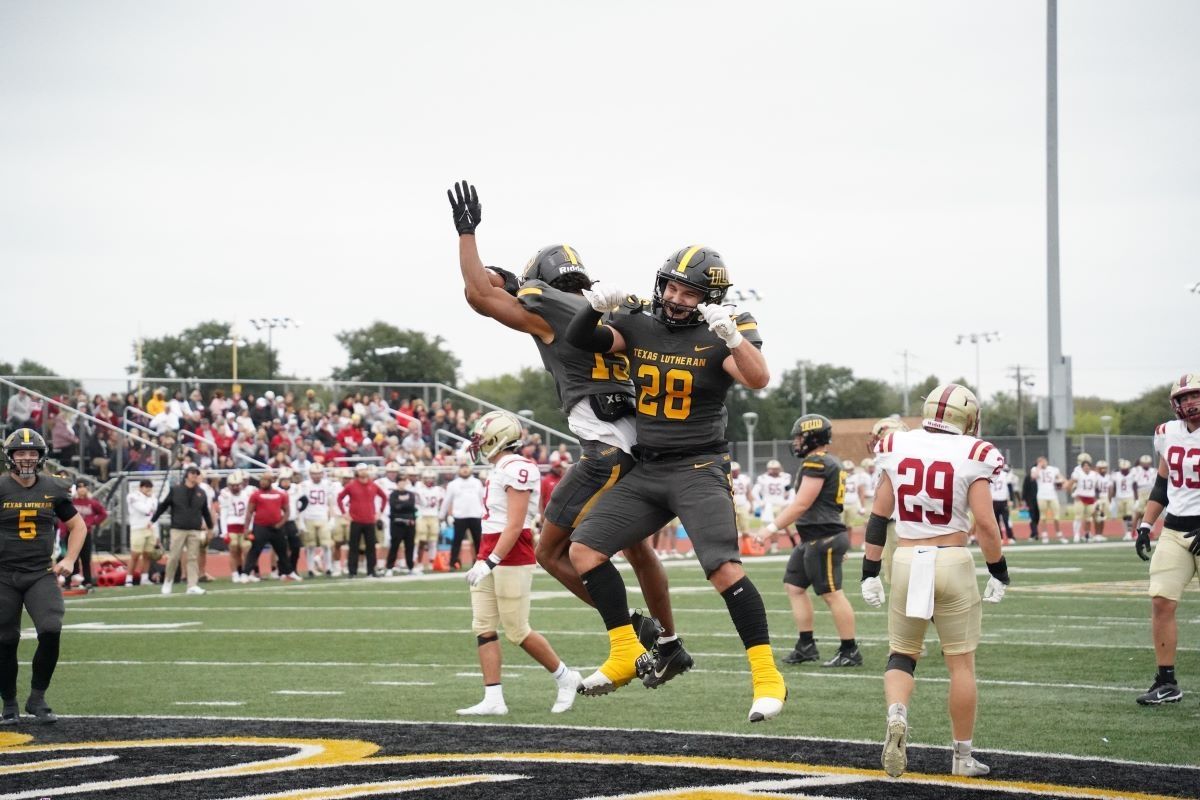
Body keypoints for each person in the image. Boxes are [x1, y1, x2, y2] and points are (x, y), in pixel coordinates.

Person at [449, 179, 678, 658]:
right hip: (644, 443)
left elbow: (478, 292)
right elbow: (504, 286)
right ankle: (671, 641)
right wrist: (512, 280)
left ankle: (633, 631)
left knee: (552, 552)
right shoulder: (615, 309)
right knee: (639, 550)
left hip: (605, 447)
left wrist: (466, 234)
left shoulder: (551, 309)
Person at [563, 243, 787, 722]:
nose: (678, 298)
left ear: (710, 298)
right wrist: (592, 308)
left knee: (722, 569)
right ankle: (625, 649)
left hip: (699, 468)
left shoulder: (727, 325)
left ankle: (767, 676)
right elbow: (584, 340)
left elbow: (758, 378)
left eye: (691, 292)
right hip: (649, 467)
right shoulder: (640, 320)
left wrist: (731, 338)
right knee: (583, 550)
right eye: (674, 286)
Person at [860, 384, 1009, 778]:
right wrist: (998, 570)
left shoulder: (897, 444)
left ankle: (897, 714)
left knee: (902, 653)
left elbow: (878, 516)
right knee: (960, 665)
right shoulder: (975, 453)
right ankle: (961, 757)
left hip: (908, 558)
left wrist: (870, 572)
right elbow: (986, 524)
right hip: (952, 559)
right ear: (968, 418)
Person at [457, 411, 581, 715]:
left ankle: (566, 678)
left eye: (482, 437)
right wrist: (484, 558)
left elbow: (515, 525)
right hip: (491, 550)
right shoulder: (502, 468)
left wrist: (491, 560)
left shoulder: (518, 468)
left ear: (498, 438)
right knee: (483, 626)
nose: (478, 443)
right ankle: (493, 698)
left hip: (510, 553)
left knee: (516, 630)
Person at [758, 414, 860, 668]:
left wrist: (770, 529)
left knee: (831, 594)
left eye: (800, 436)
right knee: (794, 586)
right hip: (813, 537)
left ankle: (850, 649)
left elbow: (802, 504)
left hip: (822, 537)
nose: (796, 441)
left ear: (813, 437)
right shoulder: (827, 461)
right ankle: (806, 645)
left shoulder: (817, 462)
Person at [0, 429, 86, 724]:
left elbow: (79, 526)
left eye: (32, 453)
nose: (26, 458)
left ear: (41, 456)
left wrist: (70, 558)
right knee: (5, 639)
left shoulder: (52, 487)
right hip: (3, 574)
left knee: (50, 629)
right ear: (10, 456)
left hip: (40, 572)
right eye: (21, 453)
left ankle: (37, 698)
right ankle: (9, 702)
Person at [1132, 373, 1200, 706]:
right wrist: (1146, 524)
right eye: (1185, 398)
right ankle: (1167, 682)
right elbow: (1163, 484)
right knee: (1161, 601)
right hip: (1175, 530)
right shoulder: (1166, 433)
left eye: (1196, 396)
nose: (1191, 402)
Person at [151, 466, 214, 595]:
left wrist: (210, 528)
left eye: (196, 474)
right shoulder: (176, 490)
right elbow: (164, 505)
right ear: (186, 475)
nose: (194, 476)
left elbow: (205, 512)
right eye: (192, 473)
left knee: (192, 557)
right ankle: (168, 581)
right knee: (174, 557)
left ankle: (192, 585)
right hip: (178, 528)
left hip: (194, 529)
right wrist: (153, 520)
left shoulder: (201, 493)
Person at [241, 471, 300, 582]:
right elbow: (249, 512)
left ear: (271, 482)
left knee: (282, 551)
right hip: (260, 527)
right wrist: (246, 528)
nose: (262, 482)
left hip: (276, 527)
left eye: (265, 480)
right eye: (261, 480)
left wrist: (281, 523)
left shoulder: (280, 494)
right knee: (255, 550)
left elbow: (287, 511)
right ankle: (246, 573)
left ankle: (289, 572)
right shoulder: (256, 495)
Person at [337, 463, 387, 578]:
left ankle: (371, 570)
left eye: (365, 470)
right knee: (353, 546)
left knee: (371, 547)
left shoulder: (373, 485)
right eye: (361, 470)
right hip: (356, 520)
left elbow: (384, 497)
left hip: (370, 520)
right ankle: (352, 571)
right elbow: (340, 497)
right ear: (357, 472)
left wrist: (380, 512)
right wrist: (344, 513)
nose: (363, 472)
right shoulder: (351, 485)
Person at [441, 463, 485, 569]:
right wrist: (442, 516)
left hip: (475, 515)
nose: (465, 470)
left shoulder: (477, 482)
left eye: (466, 468)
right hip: (460, 516)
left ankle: (480, 562)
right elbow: (447, 500)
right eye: (462, 468)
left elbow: (482, 499)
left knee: (478, 541)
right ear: (459, 470)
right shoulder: (453, 484)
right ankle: (453, 563)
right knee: (457, 541)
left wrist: (484, 514)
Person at [298, 463, 336, 577]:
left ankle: (328, 568)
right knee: (310, 545)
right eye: (314, 474)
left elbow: (330, 502)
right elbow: (301, 504)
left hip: (323, 517)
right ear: (310, 474)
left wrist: (332, 518)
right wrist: (301, 520)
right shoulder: (304, 485)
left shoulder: (327, 484)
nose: (317, 476)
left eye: (319, 473)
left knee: (326, 544)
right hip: (309, 517)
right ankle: (310, 569)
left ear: (322, 474)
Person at [69, 481, 107, 588]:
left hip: (86, 533)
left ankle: (87, 581)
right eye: (79, 487)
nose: (82, 489)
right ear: (76, 490)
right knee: (72, 557)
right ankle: (69, 580)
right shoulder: (72, 502)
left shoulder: (92, 502)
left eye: (84, 487)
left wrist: (92, 522)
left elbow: (103, 514)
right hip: (72, 533)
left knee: (86, 558)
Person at [752, 459, 794, 554]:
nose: (774, 471)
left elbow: (790, 490)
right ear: (768, 469)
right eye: (772, 469)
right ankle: (773, 547)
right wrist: (761, 502)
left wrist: (789, 502)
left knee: (786, 526)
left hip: (781, 504)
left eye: (776, 469)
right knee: (771, 526)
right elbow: (755, 491)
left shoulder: (785, 477)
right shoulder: (762, 478)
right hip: (768, 506)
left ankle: (794, 543)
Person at [218, 471, 253, 582]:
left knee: (247, 548)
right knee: (233, 548)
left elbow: (250, 513)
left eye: (237, 485)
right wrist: (224, 532)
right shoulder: (225, 495)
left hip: (244, 526)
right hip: (231, 525)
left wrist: (250, 527)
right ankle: (235, 573)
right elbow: (223, 515)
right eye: (232, 485)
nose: (235, 488)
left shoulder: (247, 494)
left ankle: (246, 572)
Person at [126, 478, 159, 586]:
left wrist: (157, 533)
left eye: (149, 487)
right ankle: (129, 578)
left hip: (150, 528)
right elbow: (145, 509)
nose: (148, 490)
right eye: (145, 487)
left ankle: (144, 578)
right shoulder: (132, 496)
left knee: (148, 554)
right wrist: (150, 500)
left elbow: (155, 513)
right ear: (140, 487)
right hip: (137, 528)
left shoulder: (153, 497)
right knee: (135, 554)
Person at [412, 469, 445, 575]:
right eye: (426, 478)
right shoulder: (419, 488)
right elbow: (416, 503)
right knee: (421, 541)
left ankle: (431, 562)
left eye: (431, 478)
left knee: (433, 541)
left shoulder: (439, 490)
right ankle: (419, 562)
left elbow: (442, 503)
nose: (429, 480)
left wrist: (443, 517)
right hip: (422, 516)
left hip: (434, 516)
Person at [385, 474, 418, 576]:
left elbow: (411, 506)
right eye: (400, 481)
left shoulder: (411, 494)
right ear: (397, 483)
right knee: (394, 546)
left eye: (404, 481)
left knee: (410, 546)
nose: (402, 483)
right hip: (397, 524)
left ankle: (410, 567)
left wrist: (402, 504)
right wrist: (404, 504)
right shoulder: (393, 494)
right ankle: (389, 567)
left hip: (409, 524)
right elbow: (395, 506)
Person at [1065, 453, 1099, 543]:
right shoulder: (1077, 472)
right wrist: (1073, 494)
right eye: (1085, 465)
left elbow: (1096, 487)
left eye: (1088, 465)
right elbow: (1069, 485)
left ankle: (1087, 534)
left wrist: (1096, 498)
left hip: (1090, 498)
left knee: (1088, 519)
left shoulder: (1094, 474)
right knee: (1078, 517)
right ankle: (1076, 534)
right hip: (1080, 497)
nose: (1086, 467)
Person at [1030, 456, 1066, 542]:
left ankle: (1059, 534)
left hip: (1053, 495)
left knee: (1057, 517)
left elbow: (1062, 479)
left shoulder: (1053, 469)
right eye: (1040, 461)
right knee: (1043, 517)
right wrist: (1039, 466)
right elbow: (1034, 477)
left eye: (1043, 461)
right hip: (1042, 496)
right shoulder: (1035, 469)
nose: (1043, 463)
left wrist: (1060, 484)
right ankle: (1045, 535)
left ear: (1047, 461)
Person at [990, 458, 1015, 544]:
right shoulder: (990, 475)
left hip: (1003, 500)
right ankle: (999, 538)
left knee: (1006, 520)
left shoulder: (1005, 475)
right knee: (996, 522)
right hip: (994, 501)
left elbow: (1010, 488)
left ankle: (1010, 537)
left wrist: (1011, 499)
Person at [1112, 459, 1137, 541]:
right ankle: (1126, 532)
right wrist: (1113, 497)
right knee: (1124, 516)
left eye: (1126, 468)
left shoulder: (1132, 475)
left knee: (1129, 515)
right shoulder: (1116, 475)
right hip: (1119, 497)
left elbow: (1134, 487)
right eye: (1123, 468)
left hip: (1129, 496)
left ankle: (1129, 532)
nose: (1124, 470)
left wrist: (1136, 498)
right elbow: (1114, 487)